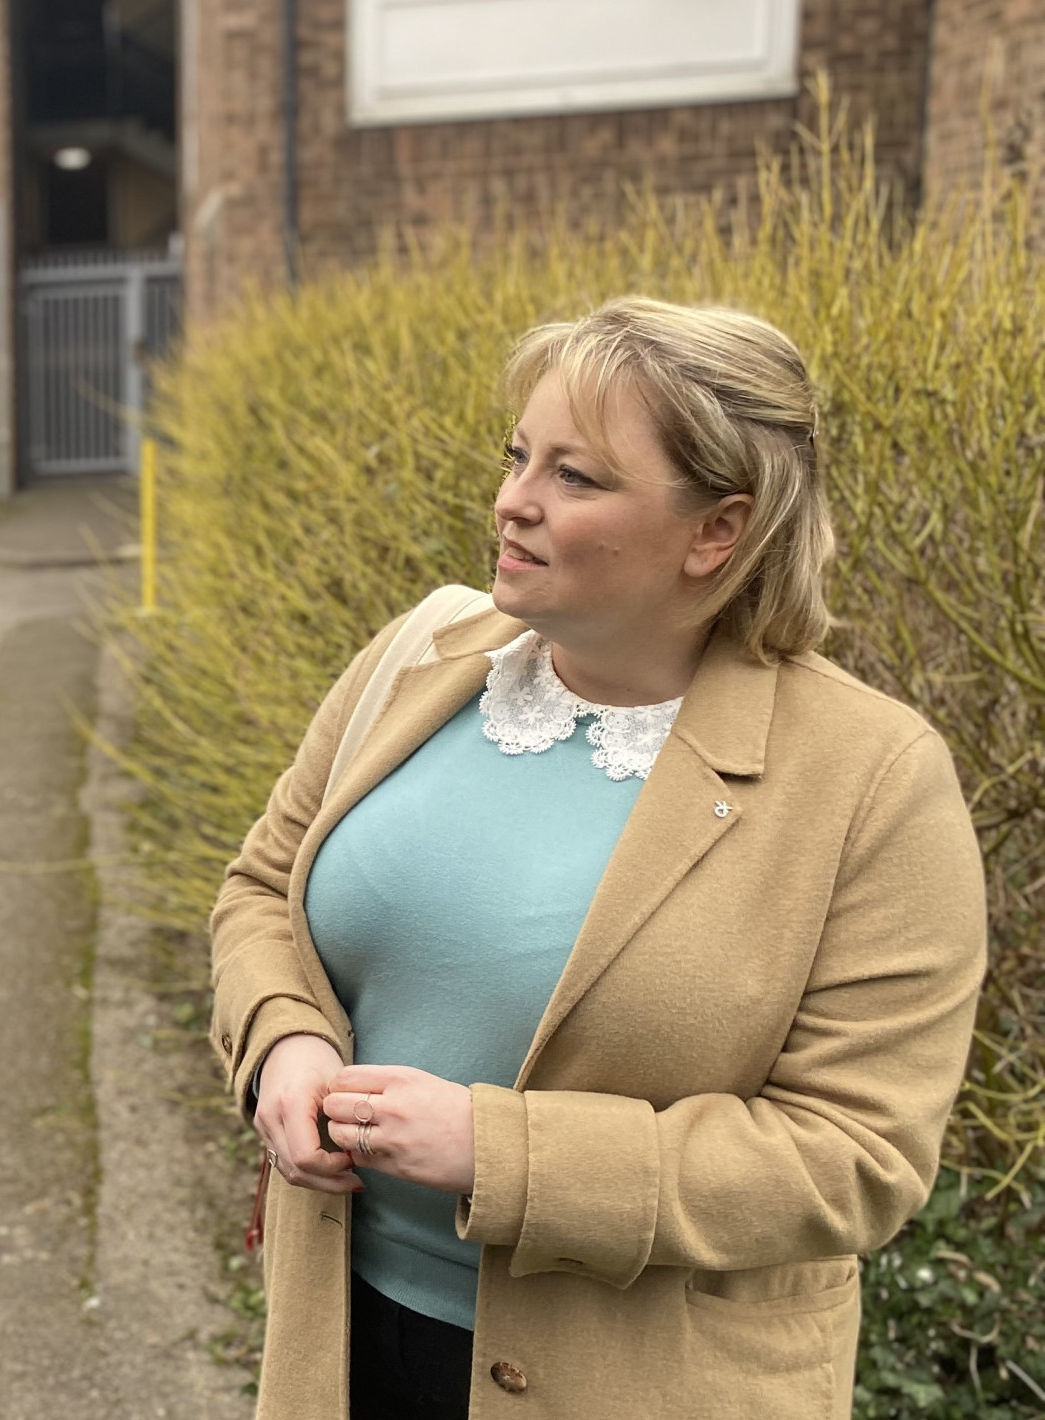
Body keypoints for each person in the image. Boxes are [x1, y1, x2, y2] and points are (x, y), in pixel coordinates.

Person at [210, 297, 987, 1419]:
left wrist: (501, 1152)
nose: (511, 500)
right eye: (517, 454)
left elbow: (854, 1155)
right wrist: (281, 1041)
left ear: (717, 530)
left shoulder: (870, 779)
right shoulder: (422, 651)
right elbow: (262, 889)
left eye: (575, 477)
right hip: (337, 1342)